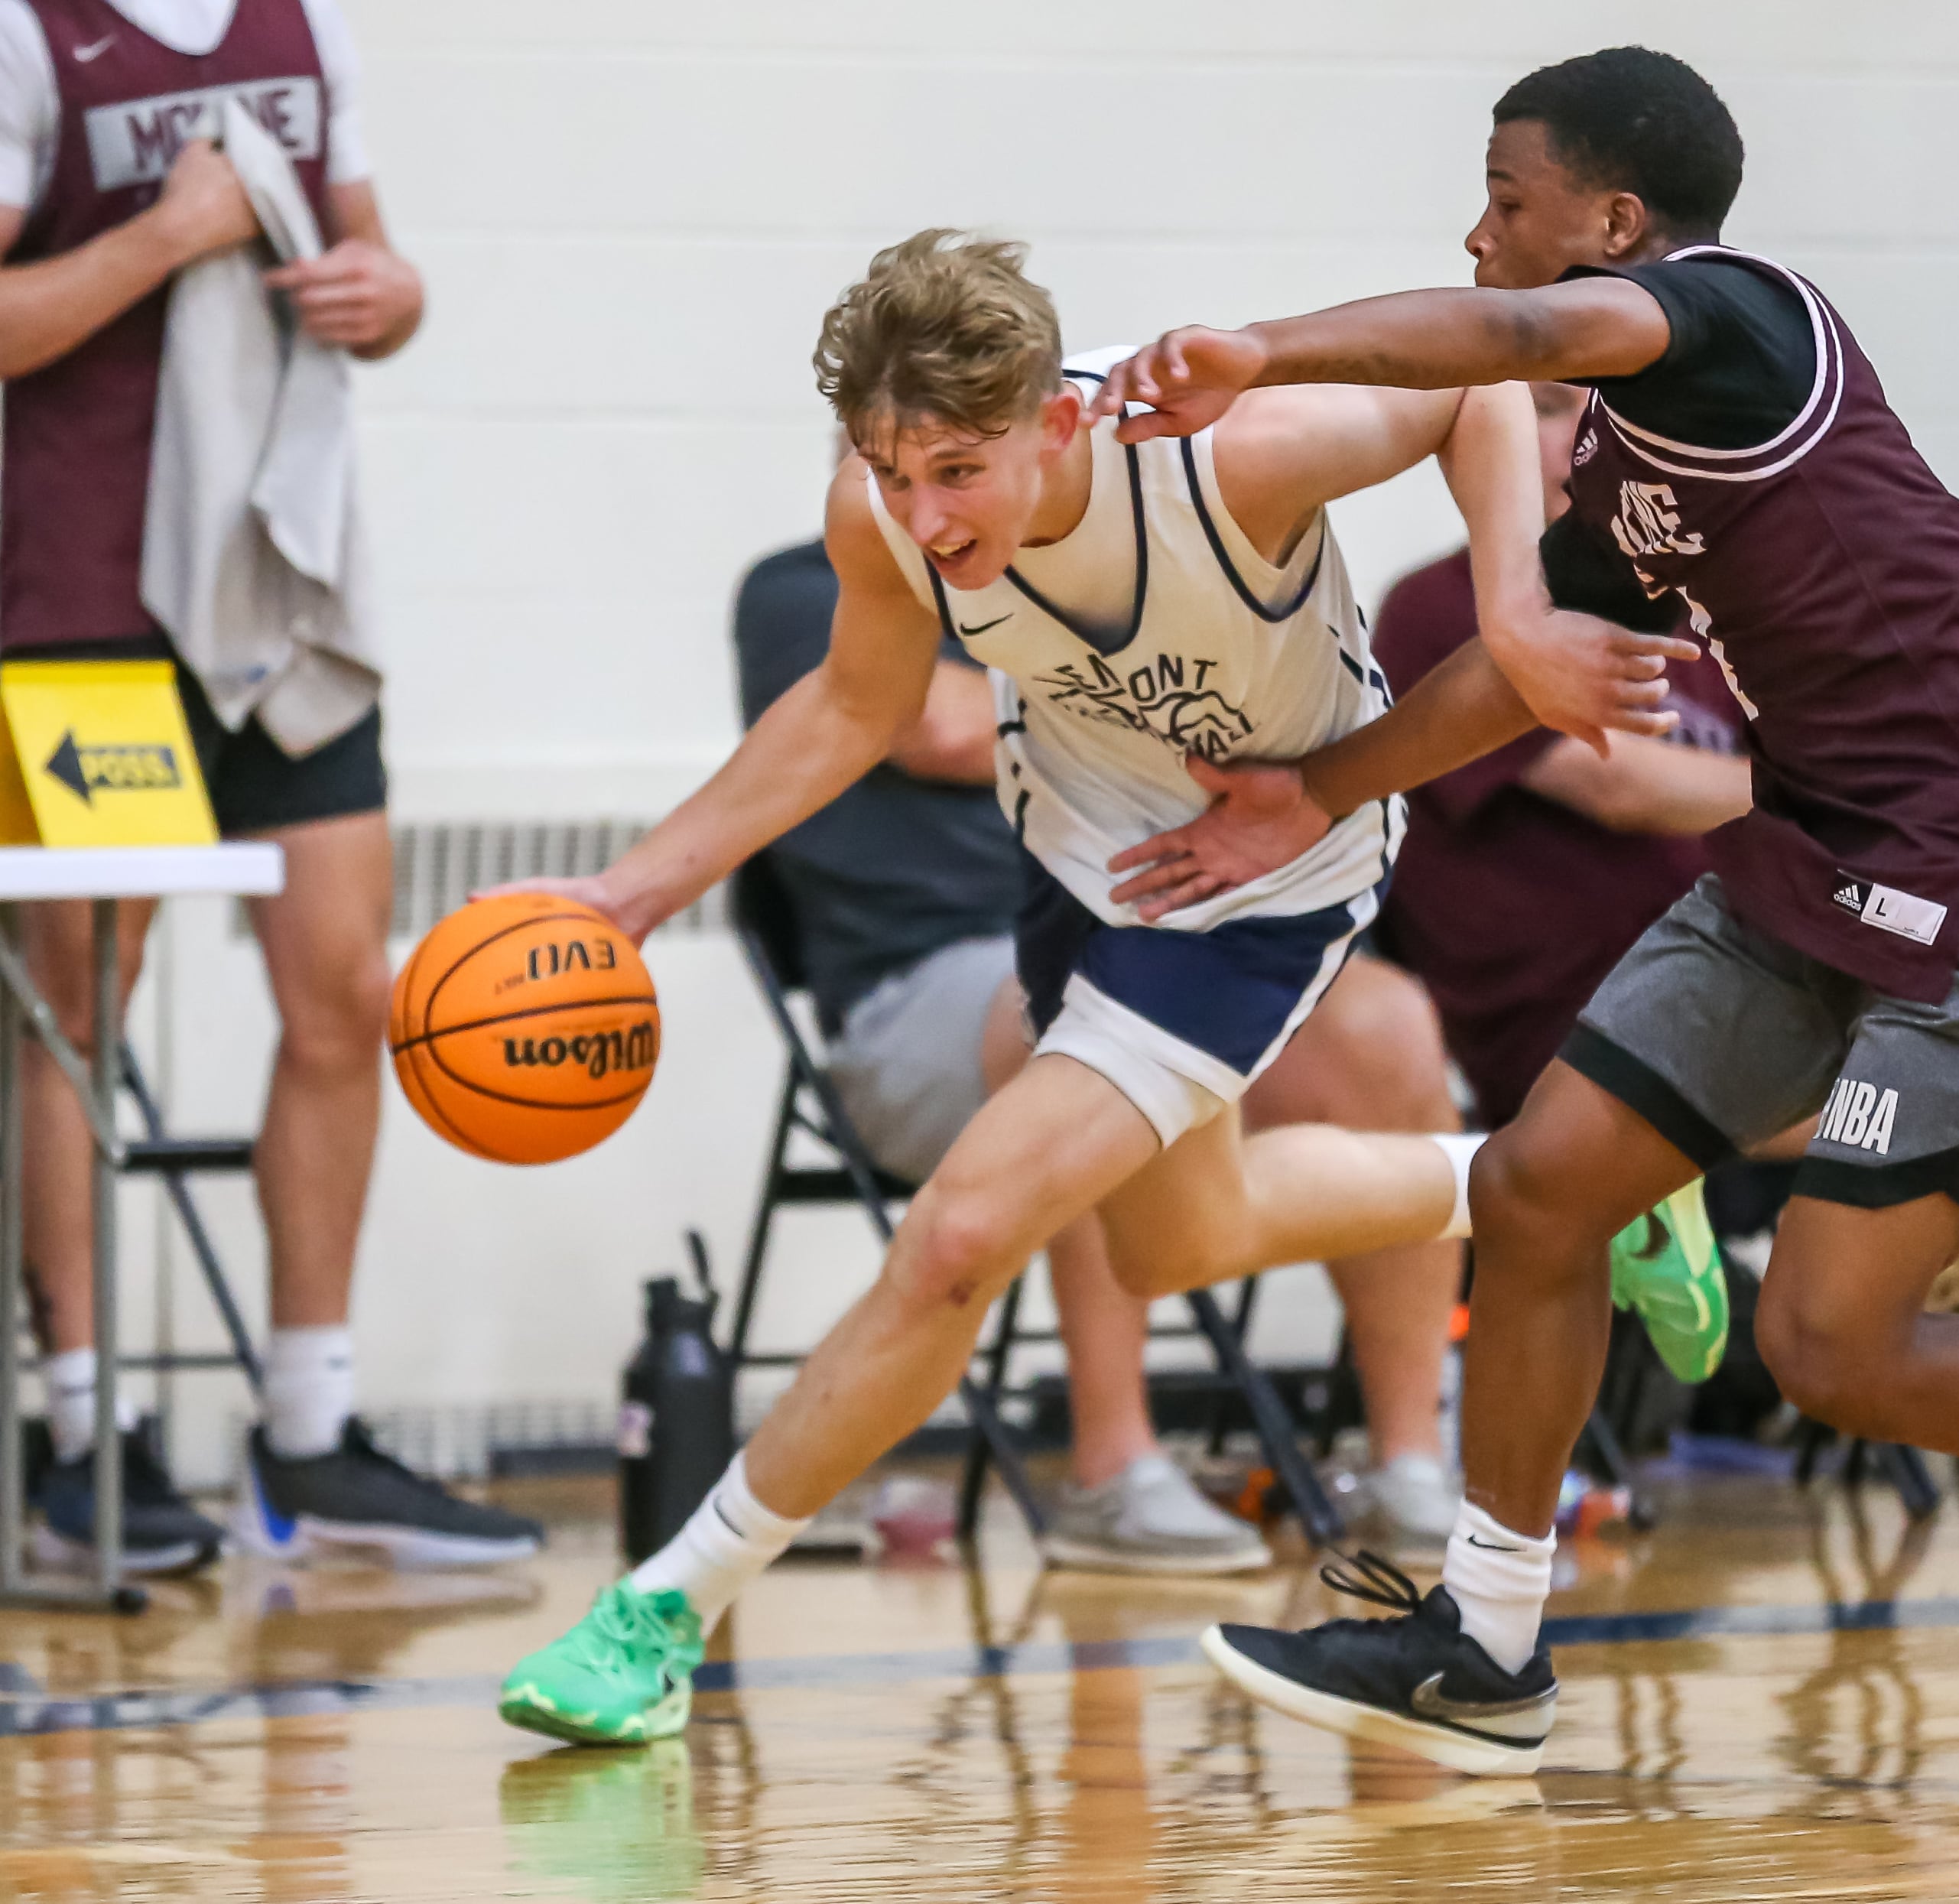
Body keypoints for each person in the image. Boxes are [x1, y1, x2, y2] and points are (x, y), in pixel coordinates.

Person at [1093, 46, 1959, 1771]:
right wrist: (1313, 792)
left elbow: (1515, 340)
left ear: (1613, 224)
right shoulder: (1629, 469)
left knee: (1828, 1344)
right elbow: (1523, 672)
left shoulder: (1743, 317)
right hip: (1813, 850)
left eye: (1505, 200)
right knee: (1539, 1192)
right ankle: (1486, 1643)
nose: (1476, 238)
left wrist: (1268, 349)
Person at [493, 228, 1693, 1746]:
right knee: (1191, 1239)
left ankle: (663, 1608)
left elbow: (1474, 380)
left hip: (1264, 875)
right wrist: (626, 894)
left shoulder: (1230, 456)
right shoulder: (884, 513)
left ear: (1053, 421)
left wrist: (1512, 616)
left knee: (959, 1237)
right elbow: (856, 705)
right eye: (891, 471)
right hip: (1084, 859)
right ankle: (1570, 1185)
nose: (923, 515)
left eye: (954, 472)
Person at [0, 0, 541, 1572]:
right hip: (83, 611)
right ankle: (80, 1437)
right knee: (82, 1011)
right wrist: (169, 235)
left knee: (342, 996)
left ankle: (310, 1433)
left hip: (282, 600)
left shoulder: (306, 28)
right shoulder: (38, 36)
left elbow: (376, 266)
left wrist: (398, 293)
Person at [734, 537, 1466, 1571]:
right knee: (1076, 1012)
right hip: (918, 1002)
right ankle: (1112, 1466)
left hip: (1152, 941)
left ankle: (1410, 1462)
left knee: (1382, 1023)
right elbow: (930, 723)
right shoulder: (805, 588)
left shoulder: (1105, 577)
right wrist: (1147, 702)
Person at [1373, 378, 1748, 1383]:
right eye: (1547, 408)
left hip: (1727, 977)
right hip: (1565, 1022)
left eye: (1605, 410)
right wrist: (1815, 795)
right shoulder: (1439, 608)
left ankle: (1905, 1242)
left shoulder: (1702, 617)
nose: (1582, 434)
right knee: (1921, 1089)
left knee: (1941, 996)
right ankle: (1937, 1184)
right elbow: (1618, 781)